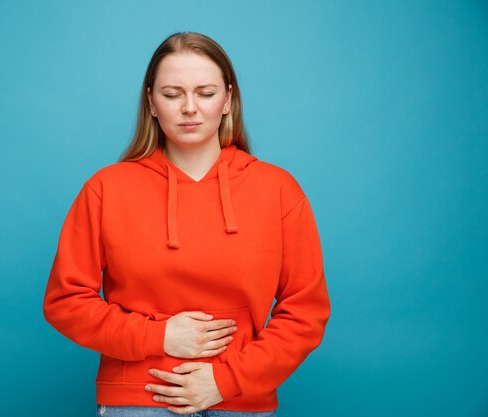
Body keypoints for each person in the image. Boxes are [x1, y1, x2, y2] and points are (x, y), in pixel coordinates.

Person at [43, 31, 331, 416]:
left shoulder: (277, 189)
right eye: (173, 94)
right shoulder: (106, 189)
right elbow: (66, 302)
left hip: (240, 400)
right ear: (152, 103)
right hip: (138, 398)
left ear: (228, 99)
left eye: (206, 93)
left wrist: (225, 381)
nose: (190, 108)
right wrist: (158, 336)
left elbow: (305, 311)